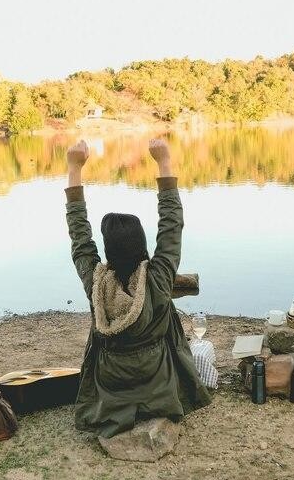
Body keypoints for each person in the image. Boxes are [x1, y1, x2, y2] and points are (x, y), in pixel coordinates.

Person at [64, 137, 212, 438]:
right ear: (141, 244)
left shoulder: (96, 282)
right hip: (158, 384)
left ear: (108, 249)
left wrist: (74, 167)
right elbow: (171, 228)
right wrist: (164, 162)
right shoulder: (157, 279)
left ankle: (121, 408)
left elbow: (80, 237)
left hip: (111, 381)